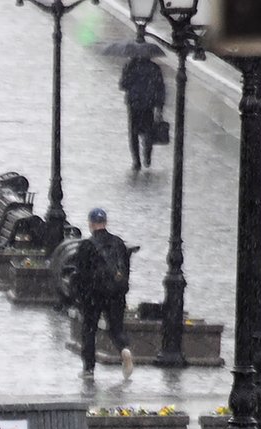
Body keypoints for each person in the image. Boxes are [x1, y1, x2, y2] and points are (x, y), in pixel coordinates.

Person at [68, 208, 135, 377]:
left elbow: (81, 273)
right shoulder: (119, 243)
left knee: (89, 330)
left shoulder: (87, 245)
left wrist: (79, 297)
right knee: (116, 329)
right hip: (116, 294)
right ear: (105, 223)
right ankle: (124, 349)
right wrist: (123, 294)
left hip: (94, 295)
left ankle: (89, 368)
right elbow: (125, 271)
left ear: (91, 224)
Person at [119, 55, 166, 171]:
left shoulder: (130, 66)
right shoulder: (154, 68)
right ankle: (147, 155)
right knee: (148, 130)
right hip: (149, 104)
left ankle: (136, 161)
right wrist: (160, 106)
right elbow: (160, 88)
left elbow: (123, 85)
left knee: (133, 133)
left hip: (134, 104)